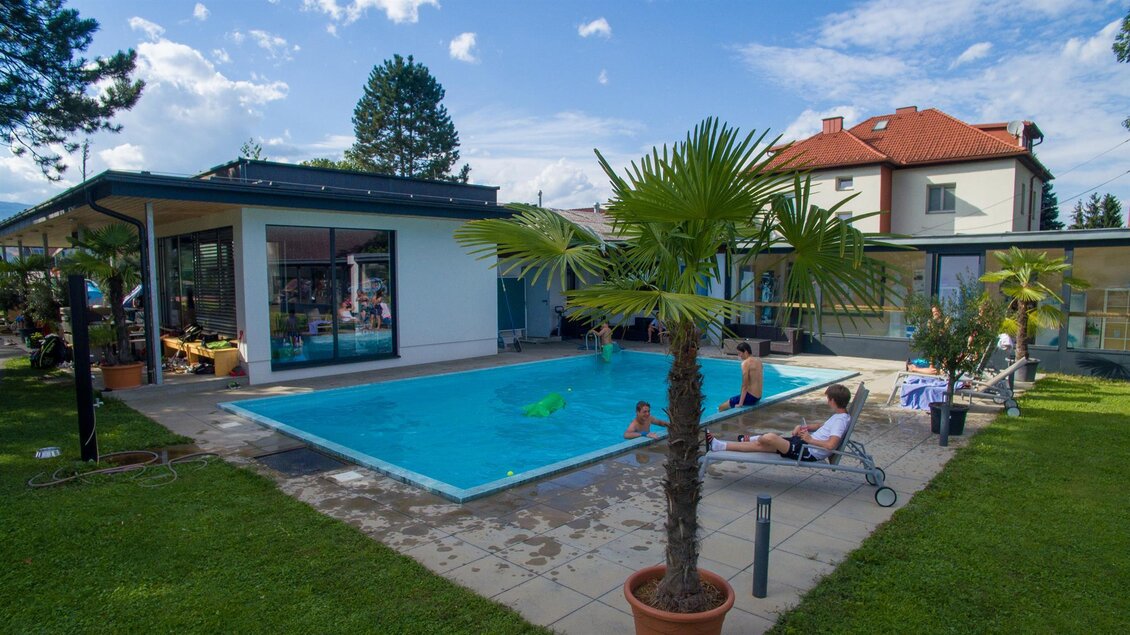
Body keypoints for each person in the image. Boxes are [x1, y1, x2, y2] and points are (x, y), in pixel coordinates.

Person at [707, 384, 852, 461]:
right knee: (759, 446)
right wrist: (804, 427)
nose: (827, 401)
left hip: (808, 452)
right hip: (804, 445)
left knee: (769, 438)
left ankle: (755, 437)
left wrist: (810, 439)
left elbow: (831, 445)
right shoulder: (840, 415)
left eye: (828, 399)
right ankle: (719, 445)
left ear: (833, 400)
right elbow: (822, 426)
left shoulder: (840, 421)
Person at [718, 341, 762, 411]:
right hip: (758, 397)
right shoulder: (759, 361)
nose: (739, 356)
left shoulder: (745, 363)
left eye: (739, 353)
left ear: (746, 352)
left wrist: (740, 403)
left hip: (751, 398)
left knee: (721, 407)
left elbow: (745, 385)